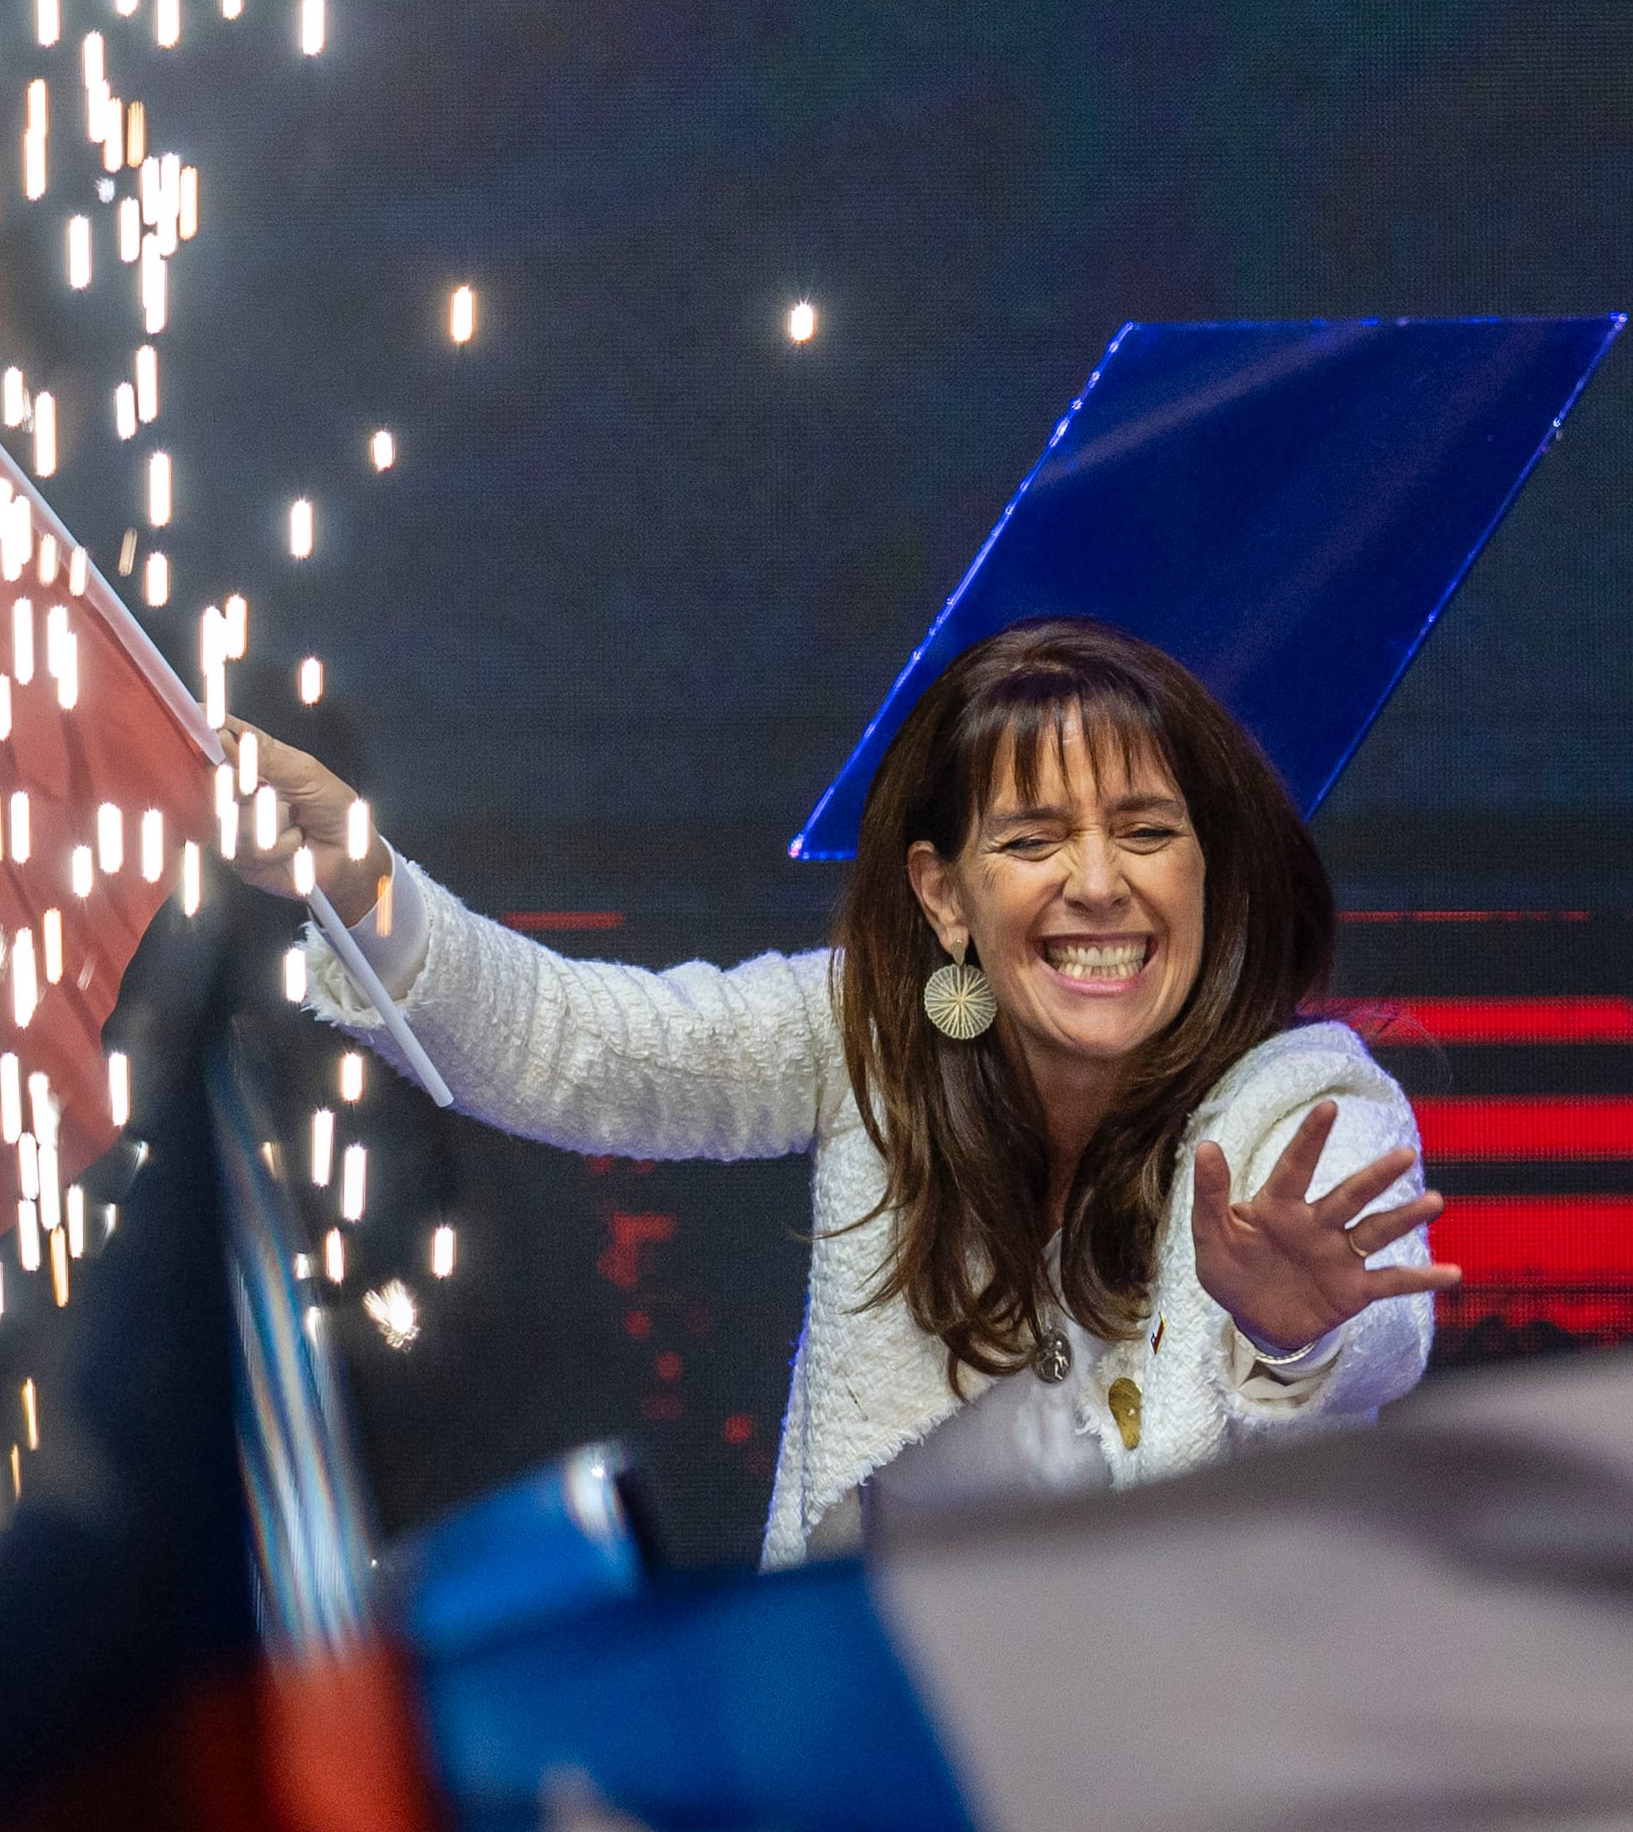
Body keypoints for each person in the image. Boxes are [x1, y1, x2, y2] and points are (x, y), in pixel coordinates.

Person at [225, 619, 1455, 1558]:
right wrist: (361, 881)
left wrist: (1290, 1336)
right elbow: (578, 1045)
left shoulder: (1306, 1106)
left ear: (1210, 871)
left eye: (1144, 832)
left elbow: (1371, 1340)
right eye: (1033, 841)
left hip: (1178, 1797)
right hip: (885, 1771)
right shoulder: (871, 1035)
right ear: (942, 895)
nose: (1096, 884)